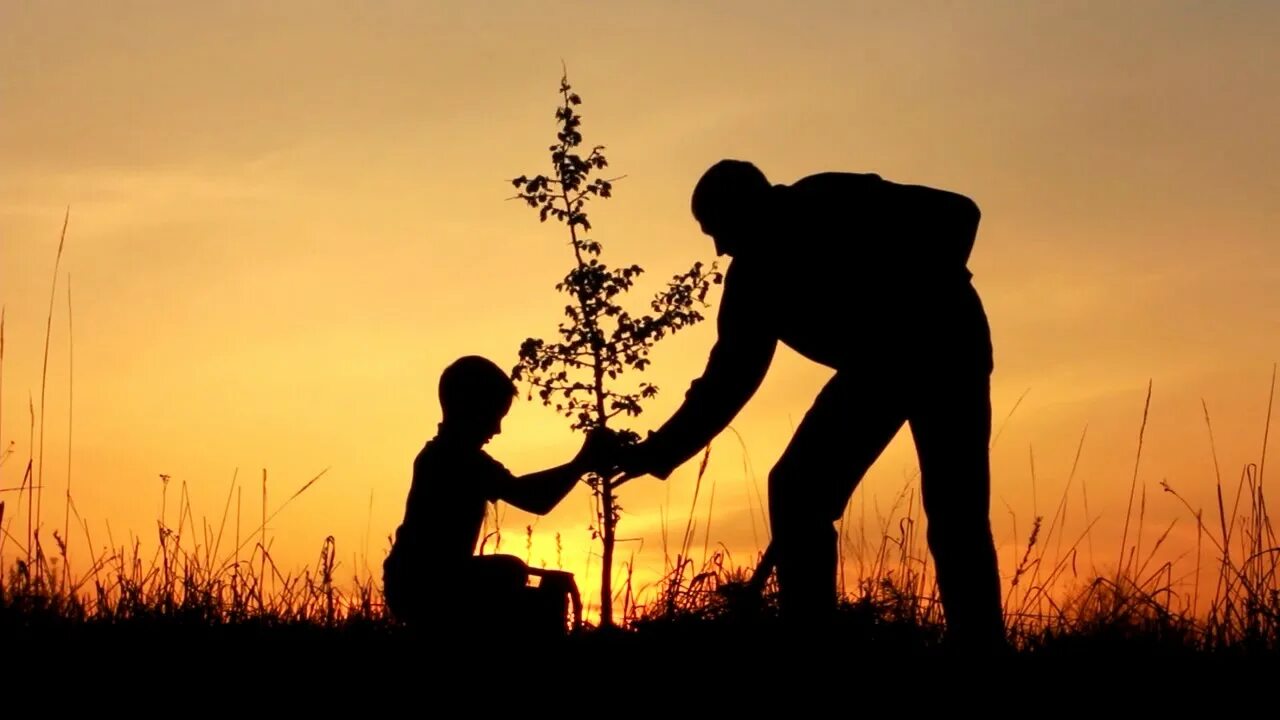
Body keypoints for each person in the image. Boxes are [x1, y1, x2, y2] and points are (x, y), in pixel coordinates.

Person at [616, 160, 1005, 650]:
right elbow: (728, 380)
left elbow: (960, 212)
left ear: (748, 206)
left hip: (949, 349)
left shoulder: (829, 199)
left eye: (720, 230)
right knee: (798, 489)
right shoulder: (752, 283)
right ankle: (812, 640)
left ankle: (982, 648)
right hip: (875, 371)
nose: (720, 248)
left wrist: (918, 292)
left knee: (956, 510)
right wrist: (659, 452)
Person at [383, 355, 615, 633]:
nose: (497, 429)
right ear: (467, 408)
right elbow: (535, 499)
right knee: (515, 578)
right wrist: (582, 462)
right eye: (493, 416)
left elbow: (527, 492)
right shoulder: (458, 460)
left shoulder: (448, 456)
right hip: (423, 586)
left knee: (511, 572)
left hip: (415, 582)